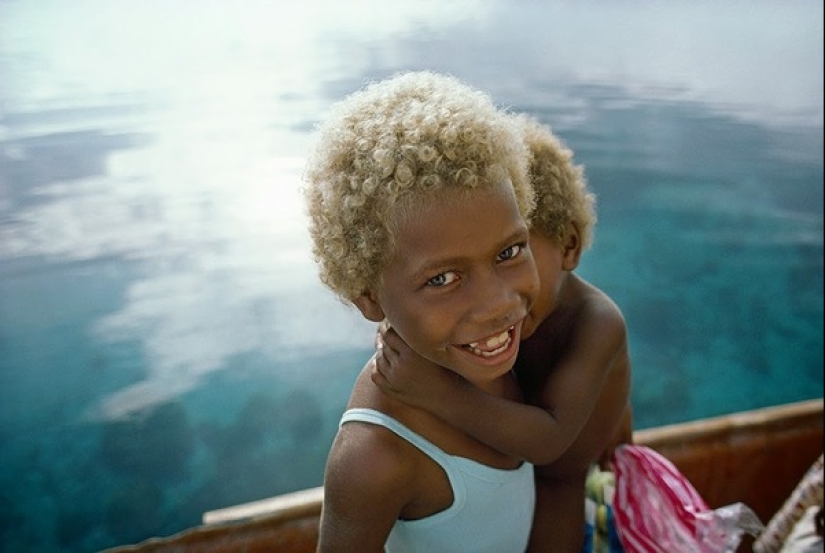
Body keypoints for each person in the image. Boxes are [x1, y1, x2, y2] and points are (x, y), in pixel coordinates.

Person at [302, 71, 542, 552]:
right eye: (442, 279)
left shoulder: (517, 347)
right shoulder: (374, 458)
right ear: (369, 297)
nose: (499, 305)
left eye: (509, 252)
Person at [372, 113, 633, 553]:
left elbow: (551, 441)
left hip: (559, 470)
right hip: (517, 461)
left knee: (558, 497)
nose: (492, 299)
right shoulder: (511, 317)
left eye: (512, 253)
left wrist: (435, 393)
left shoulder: (597, 322)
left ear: (568, 246)